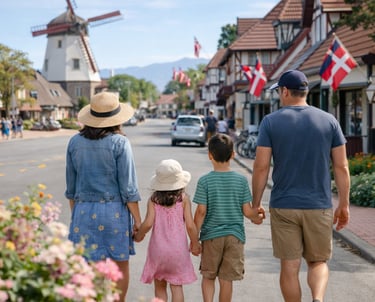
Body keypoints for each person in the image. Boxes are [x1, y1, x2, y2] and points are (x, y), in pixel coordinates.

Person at [251, 70, 350, 302]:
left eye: (279, 92)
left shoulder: (270, 122)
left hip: (284, 205)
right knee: (318, 262)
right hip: (319, 205)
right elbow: (342, 166)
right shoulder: (329, 121)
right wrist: (344, 204)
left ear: (285, 91)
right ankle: (317, 298)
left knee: (289, 266)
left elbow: (261, 167)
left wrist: (256, 204)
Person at [65, 91, 142, 302]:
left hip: (82, 211)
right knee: (119, 265)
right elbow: (128, 188)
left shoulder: (74, 142)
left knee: (86, 268)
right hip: (113, 213)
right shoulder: (120, 143)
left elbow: (71, 189)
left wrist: (77, 215)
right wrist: (138, 220)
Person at [193, 133, 265, 302]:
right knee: (226, 280)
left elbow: (201, 212)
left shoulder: (205, 181)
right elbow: (247, 212)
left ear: (210, 155)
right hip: (235, 237)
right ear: (233, 155)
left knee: (209, 277)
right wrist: (258, 216)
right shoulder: (241, 181)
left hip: (211, 237)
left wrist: (194, 239)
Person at [134, 159, 200, 302]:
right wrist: (195, 243)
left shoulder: (154, 200)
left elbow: (148, 223)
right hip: (178, 251)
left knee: (160, 287)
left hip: (158, 251)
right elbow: (190, 225)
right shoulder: (183, 199)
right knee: (177, 287)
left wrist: (139, 235)